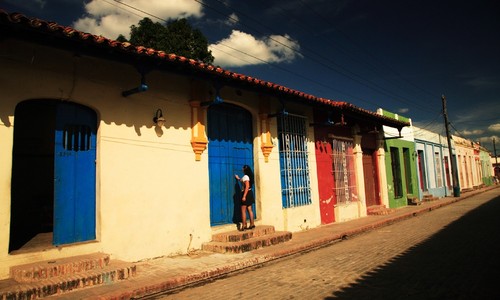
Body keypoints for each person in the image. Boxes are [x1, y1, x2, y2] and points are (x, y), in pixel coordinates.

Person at [235, 165, 255, 231]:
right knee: (249, 209)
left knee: (243, 210)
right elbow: (243, 180)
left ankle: (244, 225)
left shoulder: (246, 176)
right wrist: (238, 178)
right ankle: (252, 224)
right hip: (250, 193)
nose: (242, 169)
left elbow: (247, 186)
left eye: (243, 168)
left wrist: (244, 196)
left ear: (244, 170)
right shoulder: (248, 176)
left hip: (246, 193)